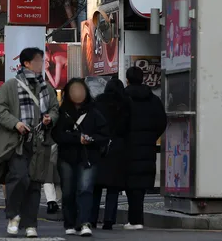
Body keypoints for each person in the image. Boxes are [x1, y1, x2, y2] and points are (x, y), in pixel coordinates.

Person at [0, 47, 60, 238]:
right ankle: (13, 215)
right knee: (19, 178)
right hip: (17, 142)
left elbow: (55, 109)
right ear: (27, 63)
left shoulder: (47, 88)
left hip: (40, 143)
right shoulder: (11, 86)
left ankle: (31, 224)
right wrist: (16, 123)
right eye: (38, 61)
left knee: (35, 185)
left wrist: (50, 119)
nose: (41, 64)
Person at [52, 79, 109, 237]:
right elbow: (57, 135)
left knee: (85, 190)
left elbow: (104, 135)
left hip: (88, 157)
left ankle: (84, 222)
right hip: (67, 157)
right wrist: (77, 138)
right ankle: (69, 222)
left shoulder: (94, 112)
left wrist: (90, 139)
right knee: (68, 191)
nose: (78, 94)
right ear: (68, 94)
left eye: (80, 90)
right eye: (74, 91)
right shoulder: (62, 112)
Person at [124, 67, 167, 230]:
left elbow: (117, 122)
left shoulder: (123, 98)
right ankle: (137, 219)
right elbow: (162, 121)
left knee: (130, 183)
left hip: (127, 147)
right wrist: (151, 136)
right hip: (147, 147)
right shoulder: (153, 99)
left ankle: (133, 220)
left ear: (127, 80)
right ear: (143, 79)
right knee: (141, 185)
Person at [91, 78, 132, 229]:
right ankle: (109, 220)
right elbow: (127, 127)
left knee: (95, 187)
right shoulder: (125, 104)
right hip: (117, 147)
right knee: (113, 188)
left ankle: (92, 219)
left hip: (99, 146)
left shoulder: (97, 102)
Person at [43, 144, 61, 214]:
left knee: (47, 175)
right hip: (58, 143)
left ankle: (51, 201)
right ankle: (57, 201)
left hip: (46, 144)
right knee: (59, 176)